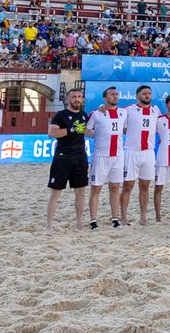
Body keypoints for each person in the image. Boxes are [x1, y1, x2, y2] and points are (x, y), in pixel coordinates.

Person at [45, 86, 89, 230]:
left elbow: (89, 131)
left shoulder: (84, 115)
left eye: (79, 96)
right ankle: (49, 225)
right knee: (56, 192)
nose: (77, 99)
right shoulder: (61, 115)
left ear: (82, 99)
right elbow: (51, 133)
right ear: (68, 99)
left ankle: (80, 223)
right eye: (74, 96)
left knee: (81, 192)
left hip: (80, 156)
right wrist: (70, 130)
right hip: (63, 157)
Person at [85, 86, 126, 229]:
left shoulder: (123, 113)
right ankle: (93, 220)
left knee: (115, 187)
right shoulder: (97, 113)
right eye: (111, 94)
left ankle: (115, 219)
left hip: (118, 155)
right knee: (96, 188)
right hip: (101, 155)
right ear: (105, 98)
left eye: (116, 94)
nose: (115, 96)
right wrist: (100, 135)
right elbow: (87, 130)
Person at [121, 85, 161, 224]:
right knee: (128, 186)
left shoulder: (156, 110)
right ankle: (124, 217)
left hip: (149, 153)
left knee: (145, 186)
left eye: (149, 93)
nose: (147, 95)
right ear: (137, 96)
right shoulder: (128, 110)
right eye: (144, 93)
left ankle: (143, 217)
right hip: (132, 152)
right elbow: (119, 123)